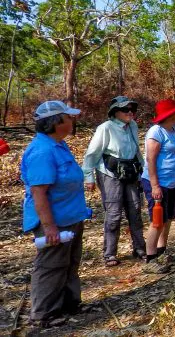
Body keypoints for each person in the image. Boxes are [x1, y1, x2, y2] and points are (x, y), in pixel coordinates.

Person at [21, 101, 90, 327]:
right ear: (56, 122)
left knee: (70, 262)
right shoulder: (42, 151)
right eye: (68, 117)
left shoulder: (58, 145)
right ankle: (43, 314)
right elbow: (39, 192)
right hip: (55, 221)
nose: (72, 121)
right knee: (51, 266)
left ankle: (70, 303)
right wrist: (49, 227)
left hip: (71, 217)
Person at [82, 96, 146, 267]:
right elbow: (92, 153)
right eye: (125, 110)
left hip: (130, 172)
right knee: (114, 214)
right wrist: (88, 177)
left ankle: (140, 248)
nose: (130, 112)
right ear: (115, 112)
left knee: (135, 209)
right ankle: (109, 253)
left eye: (132, 109)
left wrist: (144, 170)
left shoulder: (132, 126)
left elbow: (136, 150)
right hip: (109, 174)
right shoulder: (106, 128)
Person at [141, 99, 175, 274]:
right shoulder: (156, 132)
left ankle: (161, 252)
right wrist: (154, 185)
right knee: (157, 221)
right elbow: (151, 160)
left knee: (168, 219)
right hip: (158, 182)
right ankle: (150, 258)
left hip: (172, 181)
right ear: (171, 115)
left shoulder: (172, 131)